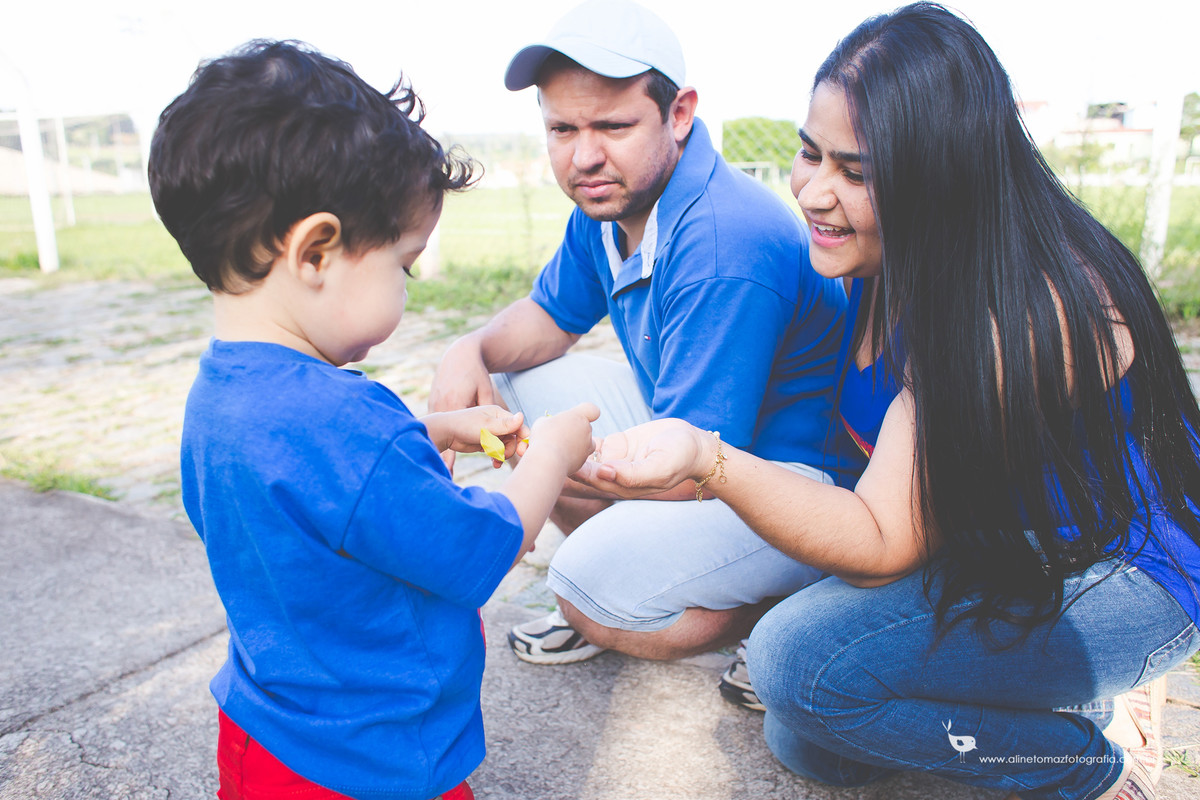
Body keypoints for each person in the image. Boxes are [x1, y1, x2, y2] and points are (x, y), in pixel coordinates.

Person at [573, 4, 1200, 799]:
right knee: (806, 740)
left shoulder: (1021, 311)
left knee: (796, 664)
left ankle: (1086, 760)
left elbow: (878, 536)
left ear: (943, 177)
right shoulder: (886, 258)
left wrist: (709, 458)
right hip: (1001, 551)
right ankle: (1043, 702)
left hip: (1117, 576)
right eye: (810, 154)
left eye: (857, 172)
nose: (813, 191)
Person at [149, 40, 598, 800]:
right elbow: (481, 551)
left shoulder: (219, 395)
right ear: (317, 250)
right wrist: (552, 452)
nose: (408, 287)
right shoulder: (352, 422)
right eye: (404, 263)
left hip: (264, 737)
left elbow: (304, 478)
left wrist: (428, 434)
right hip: (373, 762)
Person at [429, 0, 862, 688]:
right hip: (701, 436)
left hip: (794, 477)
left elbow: (688, 473)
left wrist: (543, 467)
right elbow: (545, 320)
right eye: (562, 128)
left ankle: (790, 613)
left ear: (680, 113)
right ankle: (652, 564)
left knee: (587, 585)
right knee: (516, 388)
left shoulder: (723, 240)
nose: (584, 155)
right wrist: (468, 351)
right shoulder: (610, 201)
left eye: (613, 125)